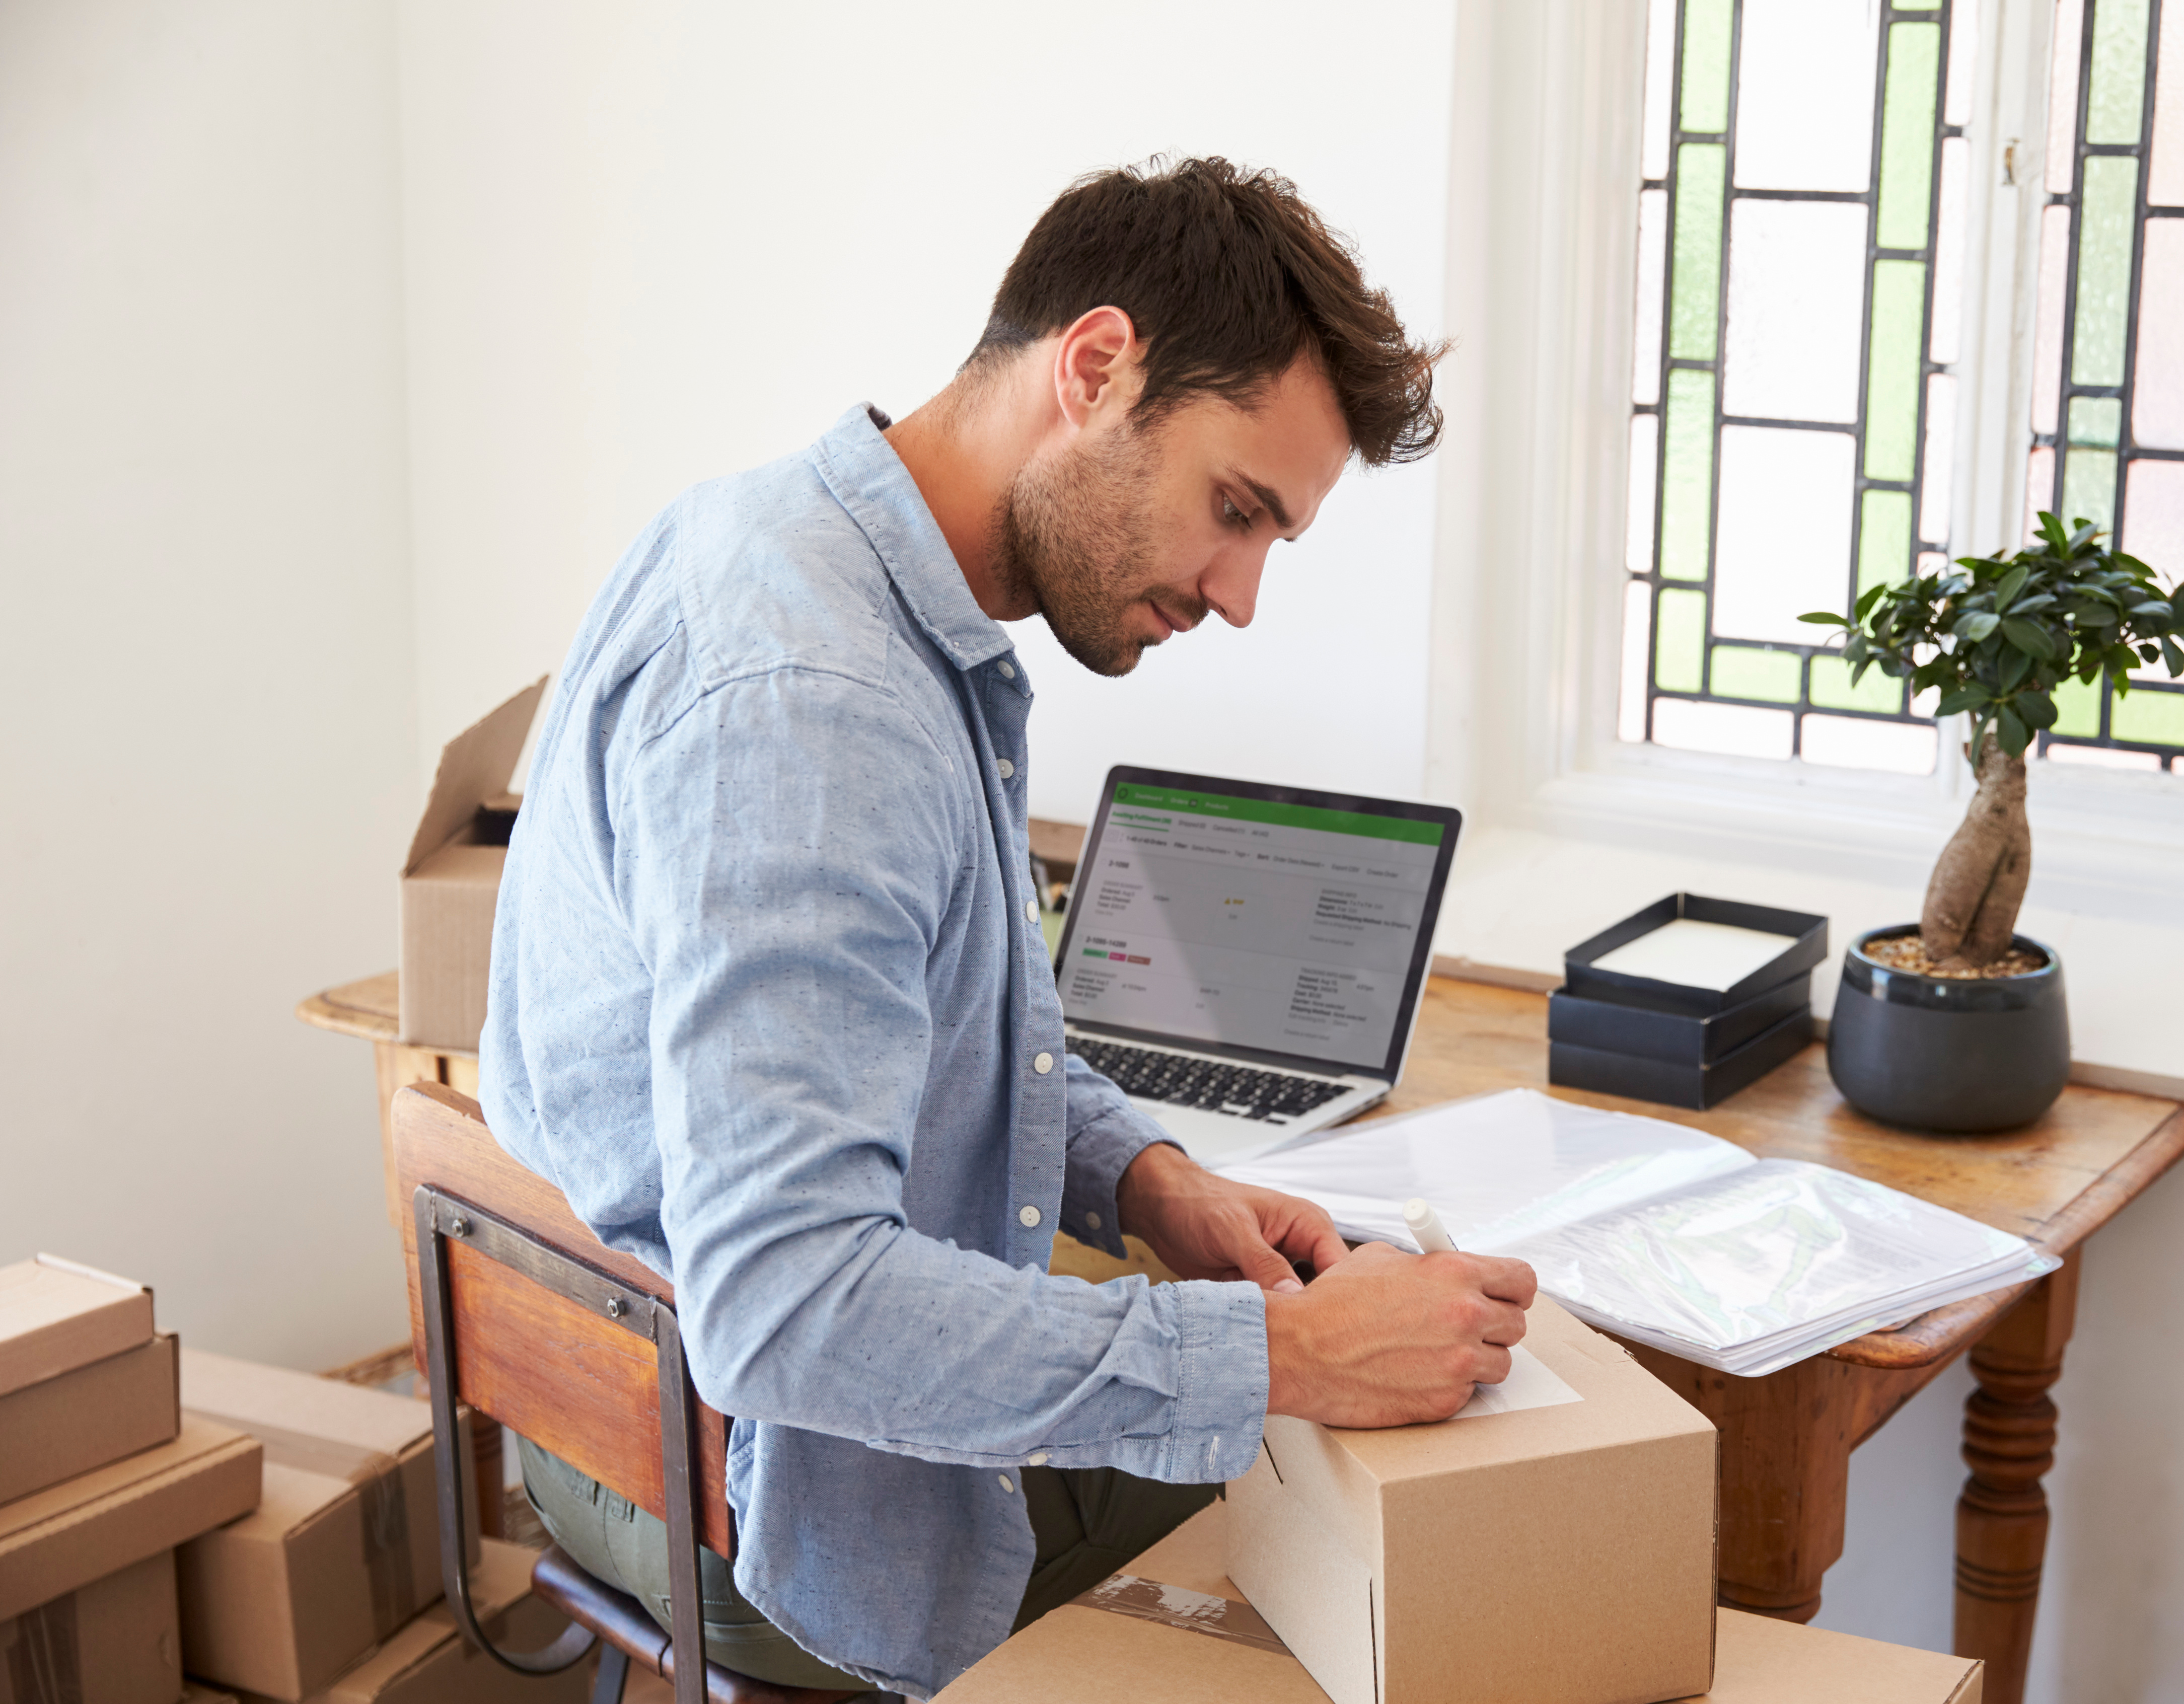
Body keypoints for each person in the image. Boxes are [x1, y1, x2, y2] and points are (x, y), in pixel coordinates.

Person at [479, 156, 1537, 1698]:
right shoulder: (817, 707)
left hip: (638, 1401)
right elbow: (794, 1302)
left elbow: (936, 1025)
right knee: (1352, 1491)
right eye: (1234, 511)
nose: (1239, 595)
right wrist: (1290, 1358)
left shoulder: (825, 562)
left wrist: (1152, 1180)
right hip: (745, 1484)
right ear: (1095, 368)